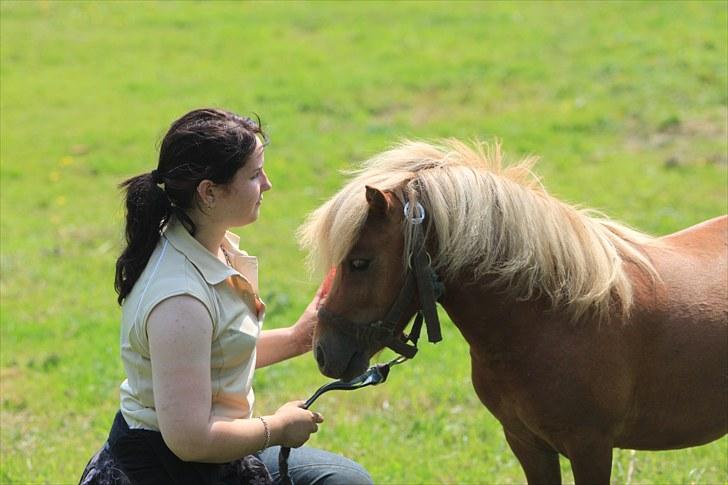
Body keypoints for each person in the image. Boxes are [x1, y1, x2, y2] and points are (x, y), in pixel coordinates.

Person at [80, 108, 373, 485]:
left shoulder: (204, 246)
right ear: (209, 192)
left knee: (346, 479)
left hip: (211, 460)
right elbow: (191, 440)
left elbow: (212, 356)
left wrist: (297, 338)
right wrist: (278, 427)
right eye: (254, 175)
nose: (267, 184)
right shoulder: (179, 299)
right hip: (172, 470)